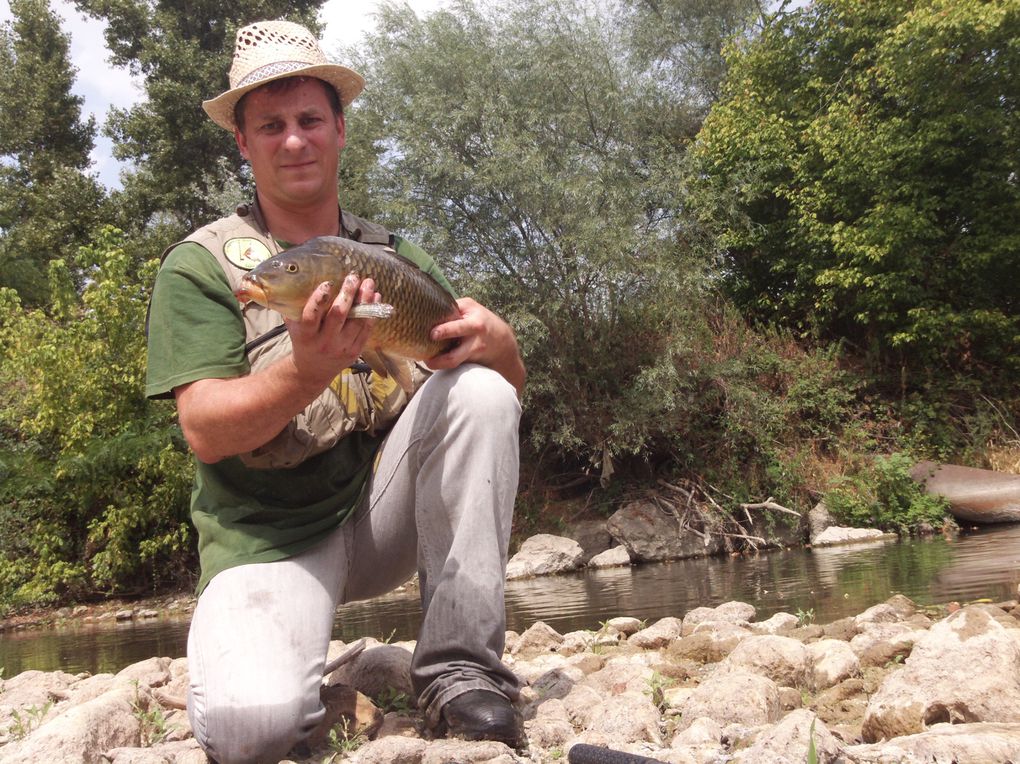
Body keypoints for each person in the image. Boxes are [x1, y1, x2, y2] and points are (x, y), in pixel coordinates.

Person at [145, 19, 526, 764]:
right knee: (249, 732)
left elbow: (491, 400)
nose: (295, 140)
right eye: (272, 125)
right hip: (268, 544)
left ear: (340, 129)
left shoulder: (393, 258)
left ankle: (459, 671)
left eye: (310, 120)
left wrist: (507, 351)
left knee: (481, 392)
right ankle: (257, 653)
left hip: (383, 518)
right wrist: (305, 368)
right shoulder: (200, 267)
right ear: (243, 143)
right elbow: (206, 430)